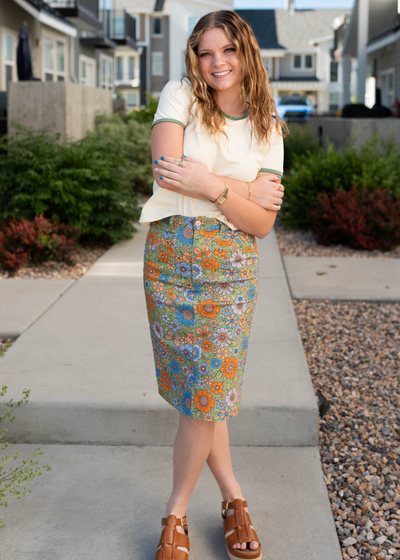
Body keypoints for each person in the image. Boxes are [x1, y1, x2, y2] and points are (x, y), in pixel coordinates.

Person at [140, 10, 286, 560]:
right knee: (206, 393)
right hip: (172, 260)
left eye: (226, 50)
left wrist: (209, 184)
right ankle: (234, 499)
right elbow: (166, 166)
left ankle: (175, 512)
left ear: (245, 52)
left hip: (230, 269)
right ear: (194, 59)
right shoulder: (180, 94)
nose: (216, 62)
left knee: (207, 393)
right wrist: (242, 187)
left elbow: (263, 224)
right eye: (205, 52)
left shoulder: (268, 124)